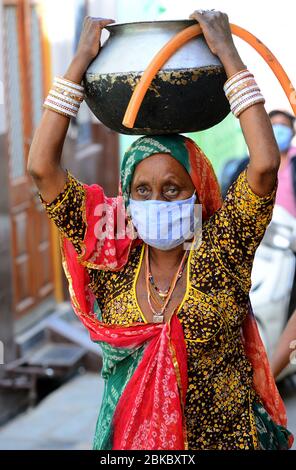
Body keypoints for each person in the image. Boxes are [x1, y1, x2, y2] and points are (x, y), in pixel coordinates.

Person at [27, 11, 293, 450]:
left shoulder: (222, 251)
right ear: (125, 201)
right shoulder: (112, 257)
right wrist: (78, 63)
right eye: (143, 191)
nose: (158, 202)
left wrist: (227, 53)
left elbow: (264, 166)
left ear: (200, 192)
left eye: (174, 189)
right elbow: (41, 169)